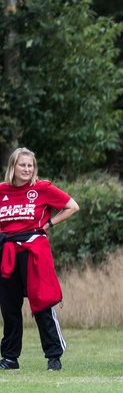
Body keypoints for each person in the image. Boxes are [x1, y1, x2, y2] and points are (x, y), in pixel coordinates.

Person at [0, 148, 79, 370]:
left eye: (30, 165)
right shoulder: (2, 190)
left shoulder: (41, 188)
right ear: (12, 167)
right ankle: (10, 358)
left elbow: (72, 206)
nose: (27, 169)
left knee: (42, 303)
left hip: (34, 251)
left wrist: (50, 224)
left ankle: (54, 356)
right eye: (22, 165)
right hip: (7, 253)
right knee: (9, 308)